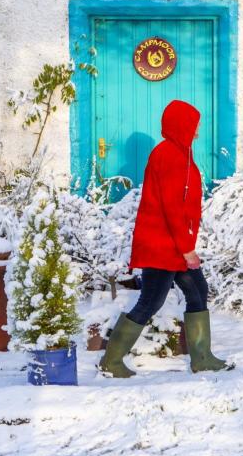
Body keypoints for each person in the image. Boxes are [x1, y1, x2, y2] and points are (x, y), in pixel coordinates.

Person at [99, 99, 232, 377]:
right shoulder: (168, 154)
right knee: (150, 301)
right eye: (194, 126)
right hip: (163, 246)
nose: (197, 132)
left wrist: (185, 246)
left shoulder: (180, 153)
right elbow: (172, 206)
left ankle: (202, 357)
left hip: (174, 245)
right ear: (182, 126)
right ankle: (111, 362)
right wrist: (187, 249)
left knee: (197, 291)